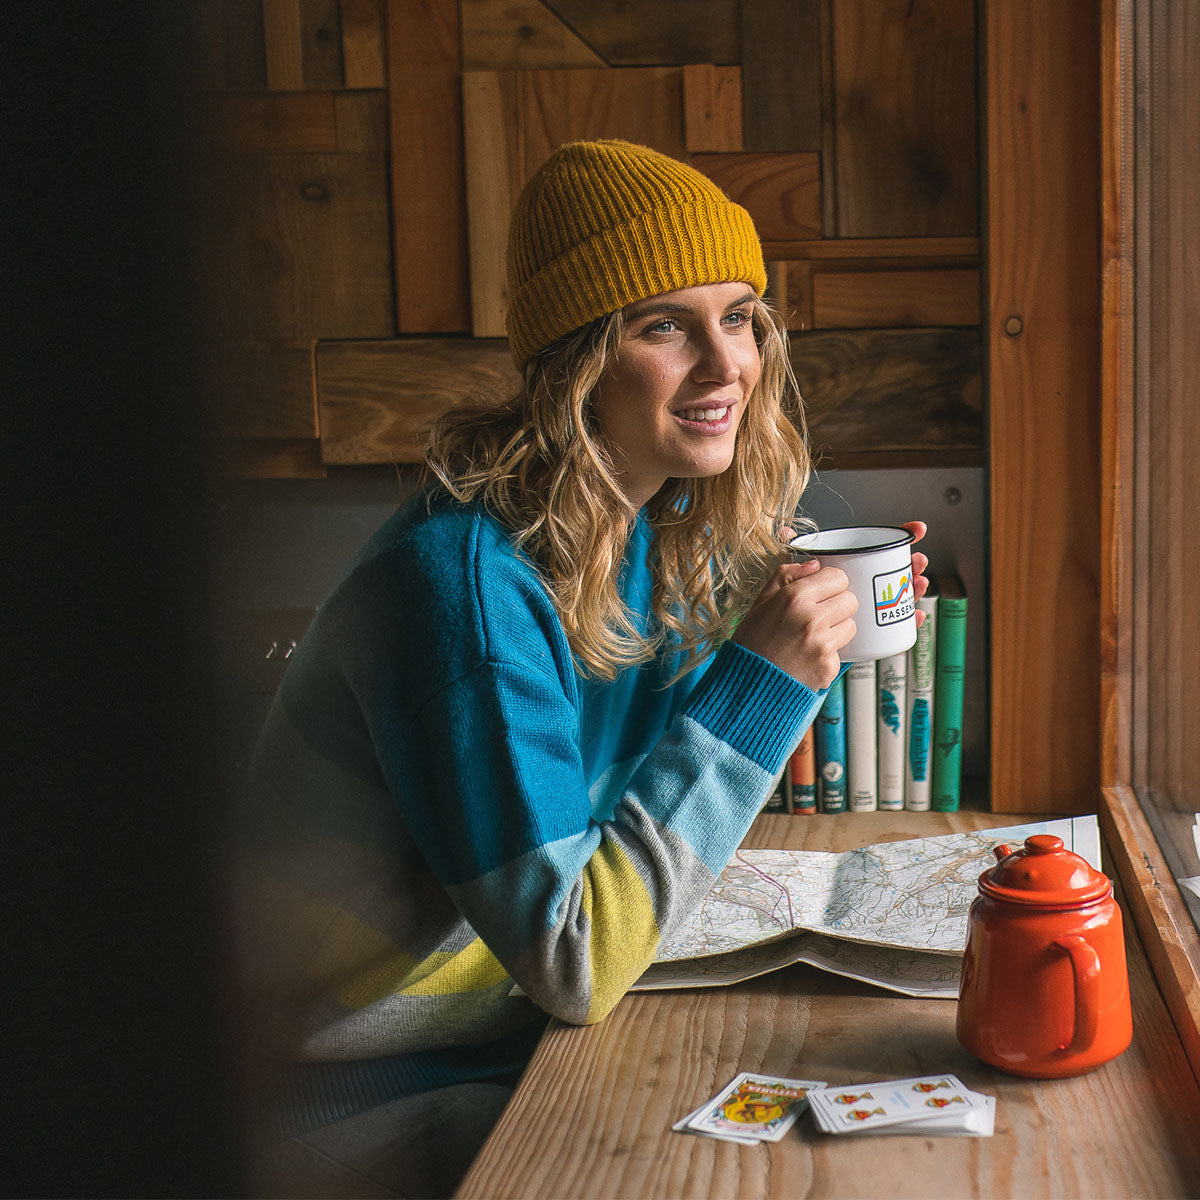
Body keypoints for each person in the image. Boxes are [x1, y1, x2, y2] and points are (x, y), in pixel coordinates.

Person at [236, 139, 928, 1197]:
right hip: (358, 1099)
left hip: (509, 1043)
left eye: (740, 315)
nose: (728, 363)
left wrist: (805, 617)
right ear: (577, 363)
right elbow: (575, 955)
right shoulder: (462, 587)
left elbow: (625, 825)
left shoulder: (653, 524)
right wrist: (764, 680)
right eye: (665, 325)